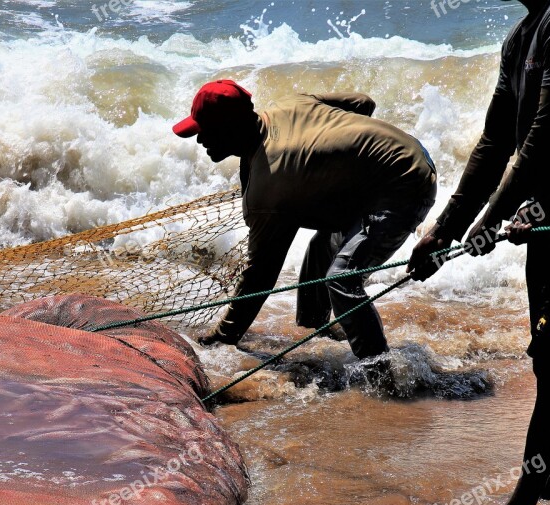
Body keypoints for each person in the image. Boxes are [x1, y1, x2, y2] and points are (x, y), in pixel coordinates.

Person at [407, 0, 550, 505]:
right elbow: (496, 142)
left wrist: (490, 220)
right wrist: (446, 228)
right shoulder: (520, 37)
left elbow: (544, 141)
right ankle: (549, 478)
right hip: (548, 220)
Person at [172, 80, 437, 359]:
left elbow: (259, 277)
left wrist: (221, 338)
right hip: (405, 156)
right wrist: (339, 155)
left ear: (230, 129)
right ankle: (317, 327)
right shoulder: (289, 104)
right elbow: (363, 102)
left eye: (206, 131)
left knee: (342, 279)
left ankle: (381, 374)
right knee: (323, 243)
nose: (200, 140)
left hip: (406, 183)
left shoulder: (272, 182)